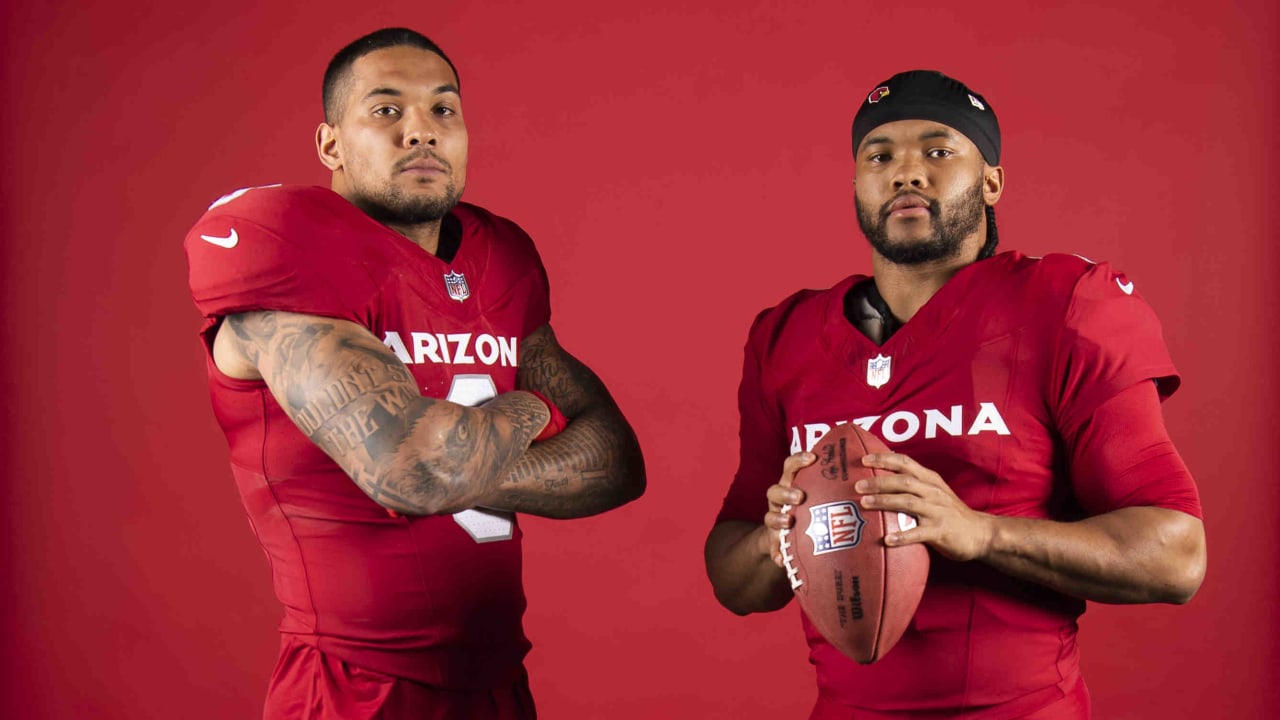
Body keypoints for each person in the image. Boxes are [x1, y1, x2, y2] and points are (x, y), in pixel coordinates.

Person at [704, 70, 1206, 719]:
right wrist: (777, 542)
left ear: (992, 181)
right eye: (879, 156)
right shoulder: (786, 337)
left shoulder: (1064, 305)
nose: (906, 172)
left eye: (938, 151)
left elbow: (1177, 557)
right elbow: (732, 576)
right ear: (857, 185)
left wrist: (980, 533)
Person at [184, 28, 644, 720]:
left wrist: (466, 460)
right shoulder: (286, 243)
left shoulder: (500, 260)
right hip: (353, 688)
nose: (421, 132)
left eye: (443, 111)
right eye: (387, 110)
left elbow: (617, 460)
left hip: (497, 684)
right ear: (330, 144)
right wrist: (528, 412)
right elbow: (414, 473)